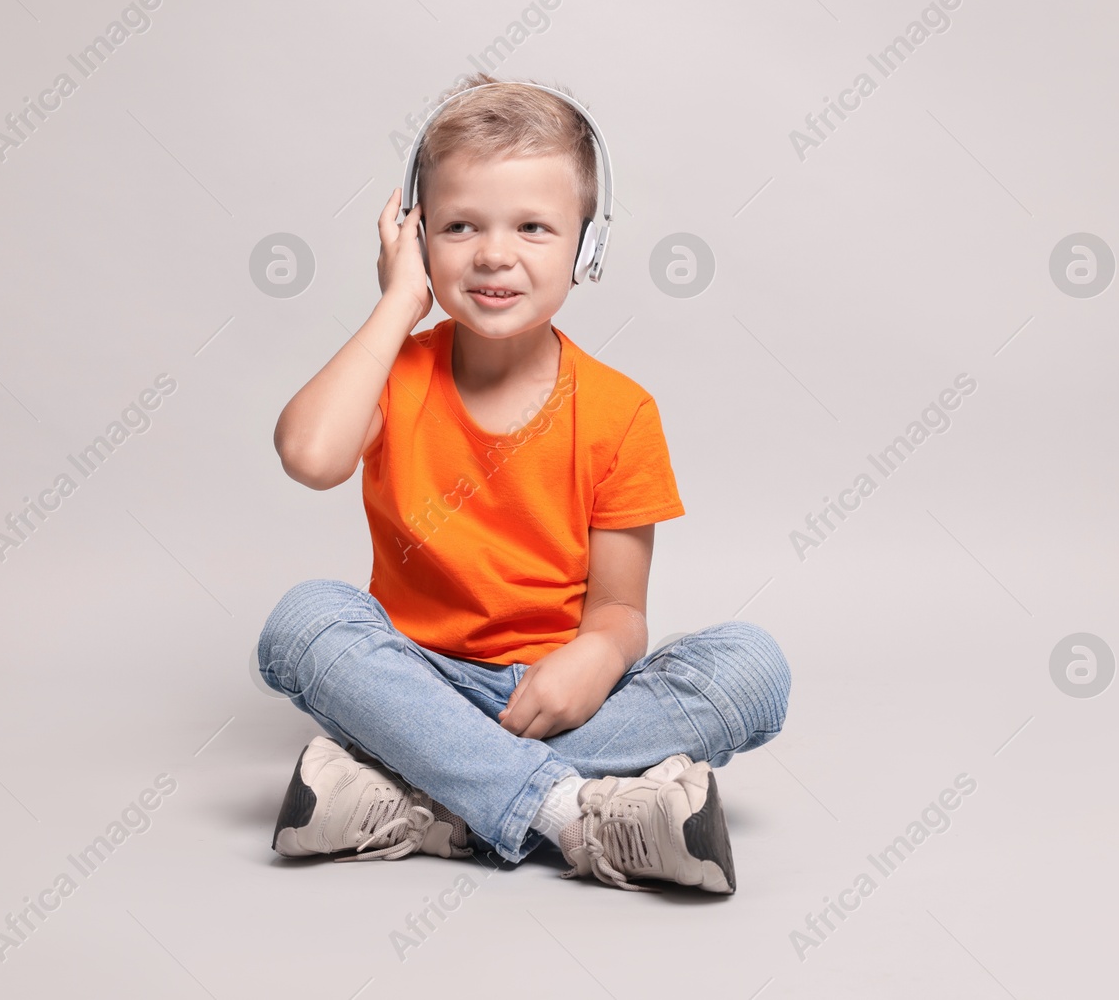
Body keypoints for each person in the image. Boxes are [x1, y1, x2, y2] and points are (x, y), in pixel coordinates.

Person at [258, 73, 791, 894]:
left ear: (588, 246)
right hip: (418, 679)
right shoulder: (396, 376)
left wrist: (598, 653)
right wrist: (401, 302)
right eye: (460, 226)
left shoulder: (620, 411)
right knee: (303, 624)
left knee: (753, 668)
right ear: (417, 234)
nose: (494, 253)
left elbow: (619, 610)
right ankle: (574, 813)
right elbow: (310, 453)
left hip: (563, 693)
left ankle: (421, 796)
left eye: (534, 227)